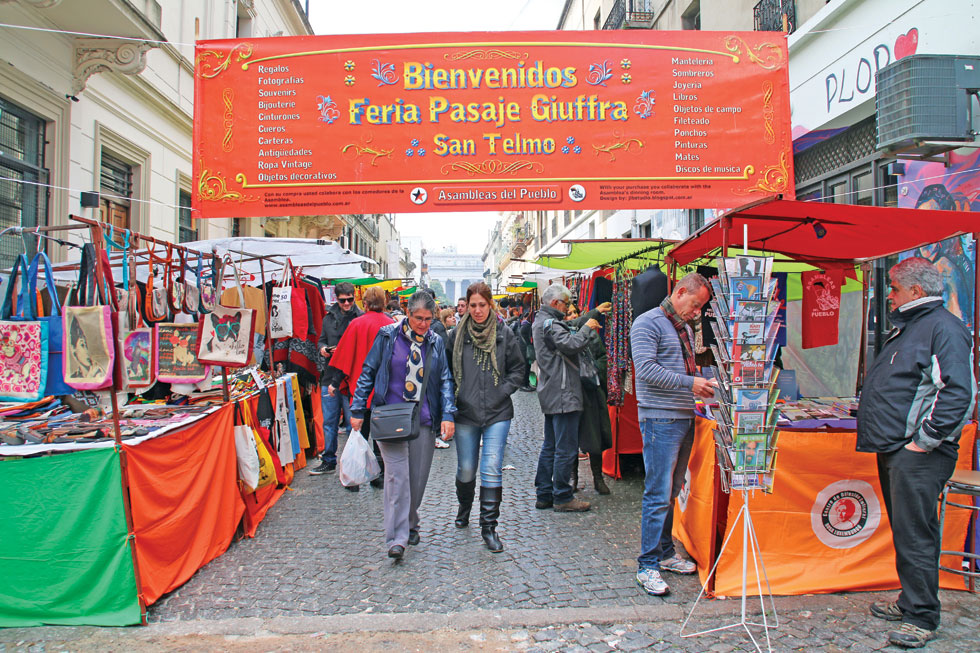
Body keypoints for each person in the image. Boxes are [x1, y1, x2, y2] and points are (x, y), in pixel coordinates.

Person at [857, 257, 976, 649]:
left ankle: (922, 616)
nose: (889, 295)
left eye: (893, 288)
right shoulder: (914, 326)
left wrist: (923, 440)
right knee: (906, 531)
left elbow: (959, 391)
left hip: (918, 453)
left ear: (915, 291)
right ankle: (911, 601)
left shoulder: (943, 328)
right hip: (898, 447)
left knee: (916, 533)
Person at [350, 291, 456, 560]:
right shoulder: (387, 336)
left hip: (423, 419)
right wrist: (358, 408)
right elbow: (368, 371)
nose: (423, 324)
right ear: (408, 314)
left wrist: (448, 415)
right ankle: (397, 537)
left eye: (428, 319)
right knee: (397, 479)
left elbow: (445, 379)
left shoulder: (434, 342)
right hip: (390, 417)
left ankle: (410, 521)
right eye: (418, 318)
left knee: (417, 481)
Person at [631, 272, 715, 597]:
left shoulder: (681, 326)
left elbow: (678, 369)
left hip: (682, 416)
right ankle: (646, 566)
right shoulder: (647, 323)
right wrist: (690, 384)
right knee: (657, 493)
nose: (696, 313)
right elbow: (647, 370)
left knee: (671, 491)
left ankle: (665, 553)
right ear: (680, 292)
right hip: (660, 419)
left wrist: (699, 383)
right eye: (695, 306)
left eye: (700, 309)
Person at [446, 282, 526, 552]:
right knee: (466, 469)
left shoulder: (505, 333)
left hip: (497, 411)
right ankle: (464, 506)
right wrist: (452, 402)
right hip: (465, 412)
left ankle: (489, 527)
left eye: (482, 305)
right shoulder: (456, 335)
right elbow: (446, 373)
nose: (478, 310)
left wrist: (501, 391)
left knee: (491, 468)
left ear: (490, 304)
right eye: (473, 305)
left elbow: (518, 369)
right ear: (466, 307)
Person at [532, 284, 600, 513]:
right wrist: (588, 327)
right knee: (565, 447)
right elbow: (571, 343)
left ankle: (544, 493)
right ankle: (562, 495)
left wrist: (591, 315)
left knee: (550, 445)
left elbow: (566, 331)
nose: (568, 306)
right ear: (555, 303)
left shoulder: (542, 321)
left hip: (552, 390)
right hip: (563, 392)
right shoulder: (550, 323)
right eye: (566, 303)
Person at [325, 286, 393, 491]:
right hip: (384, 392)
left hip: (360, 390)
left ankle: (355, 476)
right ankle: (378, 476)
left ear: (364, 303)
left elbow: (344, 356)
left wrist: (335, 383)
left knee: (358, 434)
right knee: (380, 437)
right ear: (384, 303)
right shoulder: (392, 325)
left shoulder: (356, 324)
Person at [310, 282, 362, 475]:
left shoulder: (359, 317)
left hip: (349, 378)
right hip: (330, 374)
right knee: (329, 421)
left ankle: (351, 463)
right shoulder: (328, 318)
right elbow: (321, 339)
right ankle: (329, 460)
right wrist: (323, 349)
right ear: (337, 299)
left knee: (351, 424)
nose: (347, 303)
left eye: (350, 299)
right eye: (343, 300)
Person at [564, 302, 613, 495]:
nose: (572, 316)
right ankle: (573, 477)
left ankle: (598, 478)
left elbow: (602, 357)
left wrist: (595, 372)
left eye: (575, 312)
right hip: (572, 392)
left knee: (595, 436)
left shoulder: (592, 333)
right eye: (568, 313)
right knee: (572, 437)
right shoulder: (563, 334)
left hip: (592, 391)